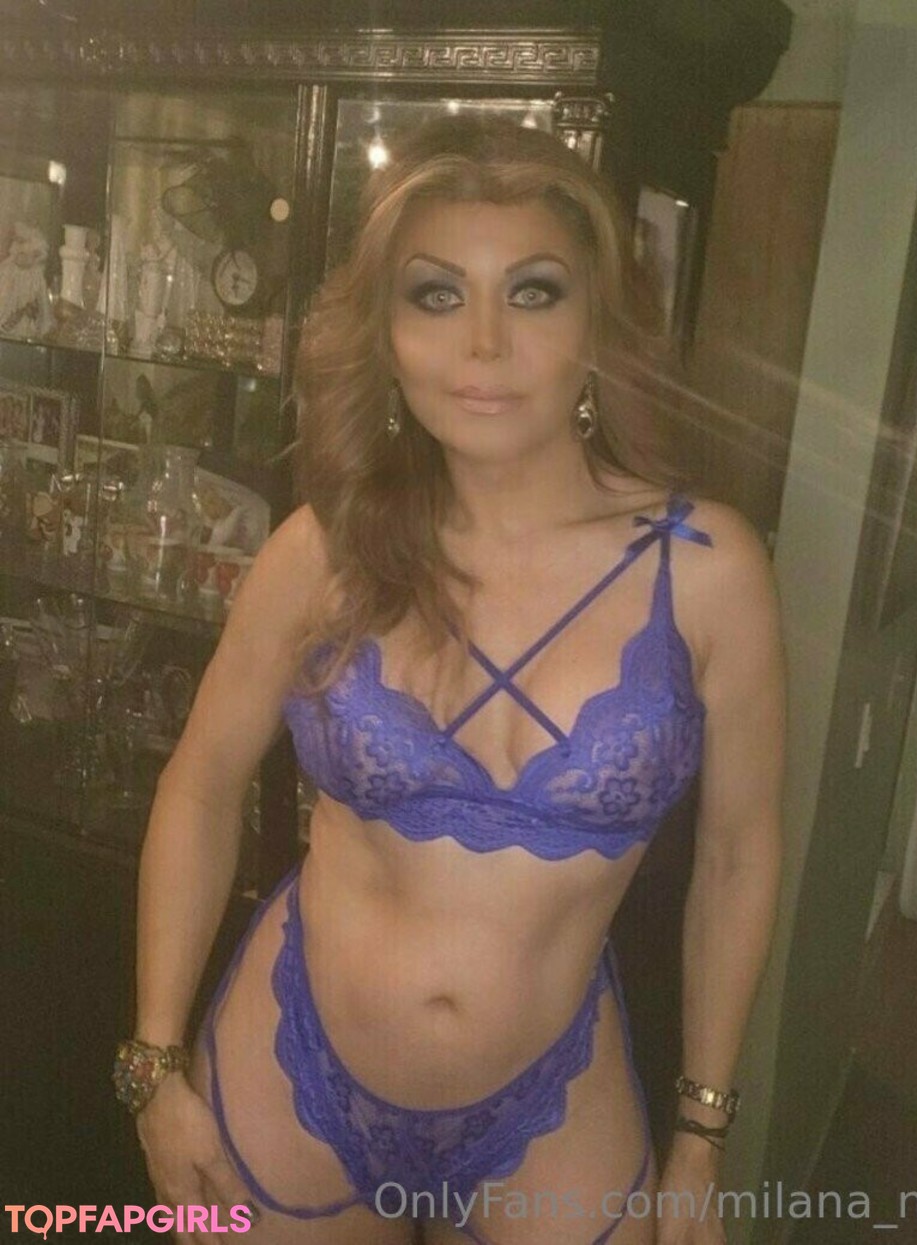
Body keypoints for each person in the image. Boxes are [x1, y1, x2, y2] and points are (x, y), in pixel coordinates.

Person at [121, 115, 786, 1245]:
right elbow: (200, 780)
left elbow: (738, 856)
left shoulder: (708, 571)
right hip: (287, 1076)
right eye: (436, 295)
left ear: (598, 325)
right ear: (385, 335)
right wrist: (153, 1060)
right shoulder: (321, 551)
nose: (484, 345)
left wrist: (701, 1135)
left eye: (533, 293)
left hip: (553, 1105)